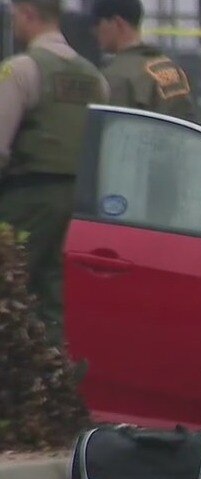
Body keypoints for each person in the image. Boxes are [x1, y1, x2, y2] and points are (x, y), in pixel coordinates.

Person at [0, 0, 109, 347]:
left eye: (16, 14)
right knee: (52, 304)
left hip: (25, 203)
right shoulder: (96, 79)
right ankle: (55, 388)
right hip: (78, 207)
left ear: (29, 14)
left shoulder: (21, 70)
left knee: (10, 295)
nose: (13, 22)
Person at [90, 0, 197, 121]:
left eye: (97, 23)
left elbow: (112, 130)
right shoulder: (171, 68)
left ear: (117, 23)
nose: (94, 31)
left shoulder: (115, 75)